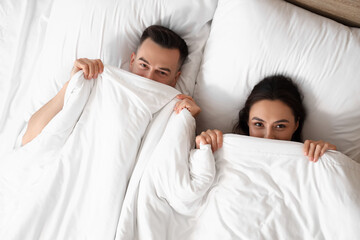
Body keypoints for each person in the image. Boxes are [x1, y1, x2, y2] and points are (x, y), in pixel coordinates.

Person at [21, 25, 200, 145]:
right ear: (132, 61)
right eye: (143, 65)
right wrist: (71, 86)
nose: (148, 77)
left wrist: (187, 122)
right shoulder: (97, 85)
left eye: (161, 72)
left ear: (175, 79)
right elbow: (30, 139)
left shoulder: (172, 113)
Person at [196, 75, 337, 162]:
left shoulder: (310, 158)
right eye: (258, 124)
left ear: (296, 125)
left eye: (280, 126)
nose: (268, 137)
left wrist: (330, 157)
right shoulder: (225, 150)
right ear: (247, 122)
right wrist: (201, 150)